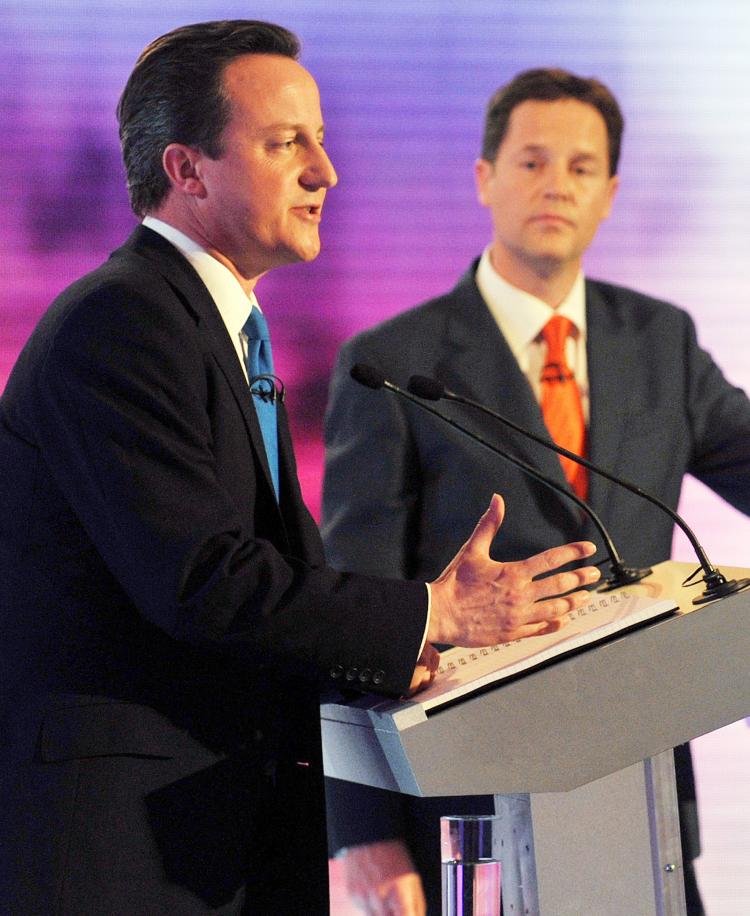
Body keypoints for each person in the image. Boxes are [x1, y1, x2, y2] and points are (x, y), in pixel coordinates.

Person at [0, 27, 602, 916]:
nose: (326, 171)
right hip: (121, 854)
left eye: (320, 140)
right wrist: (434, 612)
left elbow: (269, 578)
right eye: (287, 143)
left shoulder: (214, 326)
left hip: (212, 838)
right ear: (188, 169)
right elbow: (204, 582)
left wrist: (416, 648)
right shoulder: (122, 325)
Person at [322, 67, 750, 915]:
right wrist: (360, 830)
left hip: (645, 792)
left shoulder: (660, 339)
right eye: (531, 161)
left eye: (582, 167)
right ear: (485, 178)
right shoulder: (394, 364)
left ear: (611, 191)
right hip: (470, 816)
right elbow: (355, 604)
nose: (557, 184)